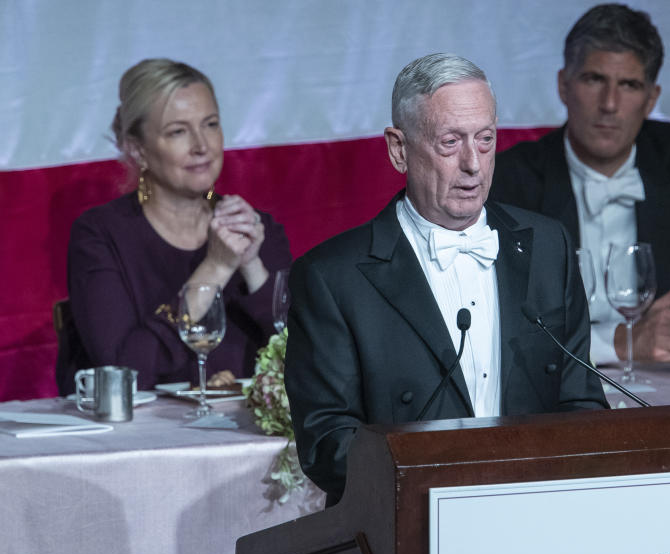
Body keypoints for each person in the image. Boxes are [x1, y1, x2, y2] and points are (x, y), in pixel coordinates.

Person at [286, 53, 608, 505]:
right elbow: (326, 444)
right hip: (406, 526)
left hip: (537, 513)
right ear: (399, 149)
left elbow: (581, 402)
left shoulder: (546, 245)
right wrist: (446, 480)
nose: (473, 164)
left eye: (486, 139)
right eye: (450, 142)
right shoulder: (333, 277)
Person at [489, 4, 670, 365]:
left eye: (629, 85)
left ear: (651, 99)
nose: (610, 104)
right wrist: (621, 344)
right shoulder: (509, 177)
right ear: (564, 85)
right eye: (594, 79)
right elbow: (497, 328)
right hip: (554, 395)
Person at [66, 59, 291, 390]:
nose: (202, 146)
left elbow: (306, 357)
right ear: (138, 150)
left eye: (211, 124)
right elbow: (123, 373)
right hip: (145, 436)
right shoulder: (100, 236)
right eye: (178, 131)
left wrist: (252, 266)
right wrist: (215, 268)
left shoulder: (258, 229)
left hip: (244, 430)